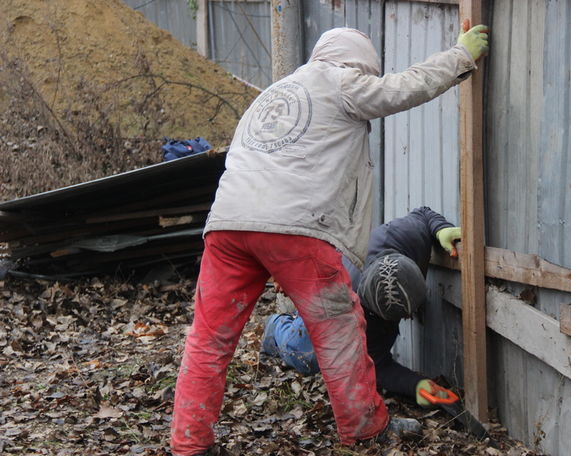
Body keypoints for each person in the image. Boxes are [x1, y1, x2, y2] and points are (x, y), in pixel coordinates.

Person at [169, 24, 490, 456]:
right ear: (360, 62)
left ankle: (189, 444)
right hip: (294, 229)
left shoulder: (272, 95)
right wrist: (460, 56)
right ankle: (365, 429)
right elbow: (403, 89)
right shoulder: (341, 80)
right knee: (338, 329)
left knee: (209, 337)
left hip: (227, 224)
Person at [261, 207, 461, 406]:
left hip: (342, 284)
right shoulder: (345, 310)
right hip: (323, 299)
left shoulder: (402, 237)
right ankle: (275, 328)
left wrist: (442, 229)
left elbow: (424, 215)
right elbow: (374, 365)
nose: (409, 318)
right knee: (306, 355)